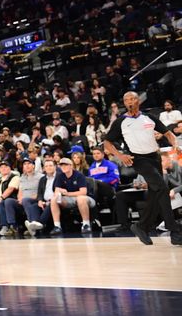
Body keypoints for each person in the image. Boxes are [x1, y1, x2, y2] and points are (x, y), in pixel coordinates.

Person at [103, 91, 182, 245]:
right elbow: (107, 143)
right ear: (124, 103)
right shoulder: (121, 122)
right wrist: (120, 155)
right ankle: (175, 231)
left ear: (138, 100)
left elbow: (168, 133)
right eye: (126, 100)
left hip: (155, 157)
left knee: (155, 193)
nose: (130, 101)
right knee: (161, 188)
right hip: (138, 159)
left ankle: (141, 226)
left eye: (132, 98)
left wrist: (175, 144)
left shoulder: (149, 117)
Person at [49, 158, 94, 235]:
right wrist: (60, 192)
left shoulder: (79, 175)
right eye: (61, 165)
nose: (63, 167)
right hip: (68, 200)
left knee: (80, 198)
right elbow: (56, 191)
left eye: (65, 165)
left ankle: (86, 224)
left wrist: (67, 193)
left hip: (86, 198)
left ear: (71, 166)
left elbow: (83, 192)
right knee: (54, 199)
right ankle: (57, 226)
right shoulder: (60, 176)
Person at [26, 159, 59, 236]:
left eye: (50, 166)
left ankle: (39, 224)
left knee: (51, 204)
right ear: (44, 168)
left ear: (55, 167)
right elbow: (40, 193)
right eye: (46, 166)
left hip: (56, 200)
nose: (48, 168)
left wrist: (50, 200)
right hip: (45, 201)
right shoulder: (43, 179)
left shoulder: (59, 177)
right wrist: (40, 200)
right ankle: (34, 225)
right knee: (33, 206)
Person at [0, 161, 20, 236]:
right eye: (1, 167)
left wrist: (1, 198)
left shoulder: (14, 177)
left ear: (10, 168)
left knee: (2, 202)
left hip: (10, 200)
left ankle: (7, 226)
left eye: (5, 167)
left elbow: (10, 189)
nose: (3, 169)